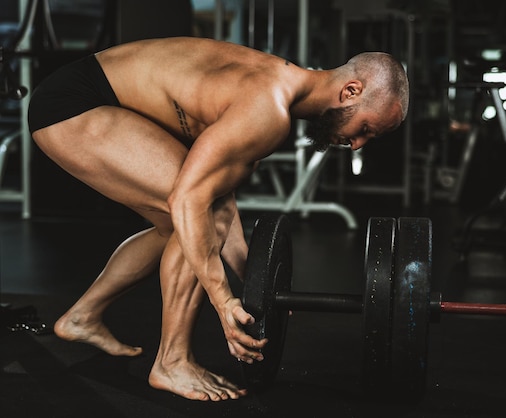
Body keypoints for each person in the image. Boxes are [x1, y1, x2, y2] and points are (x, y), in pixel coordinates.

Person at [28, 36, 409, 401]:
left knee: (184, 226)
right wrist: (223, 301)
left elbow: (221, 199)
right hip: (75, 104)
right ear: (351, 91)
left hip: (80, 94)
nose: (357, 143)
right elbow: (191, 200)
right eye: (365, 129)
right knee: (195, 216)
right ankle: (172, 362)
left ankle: (82, 316)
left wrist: (253, 277)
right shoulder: (268, 111)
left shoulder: (279, 86)